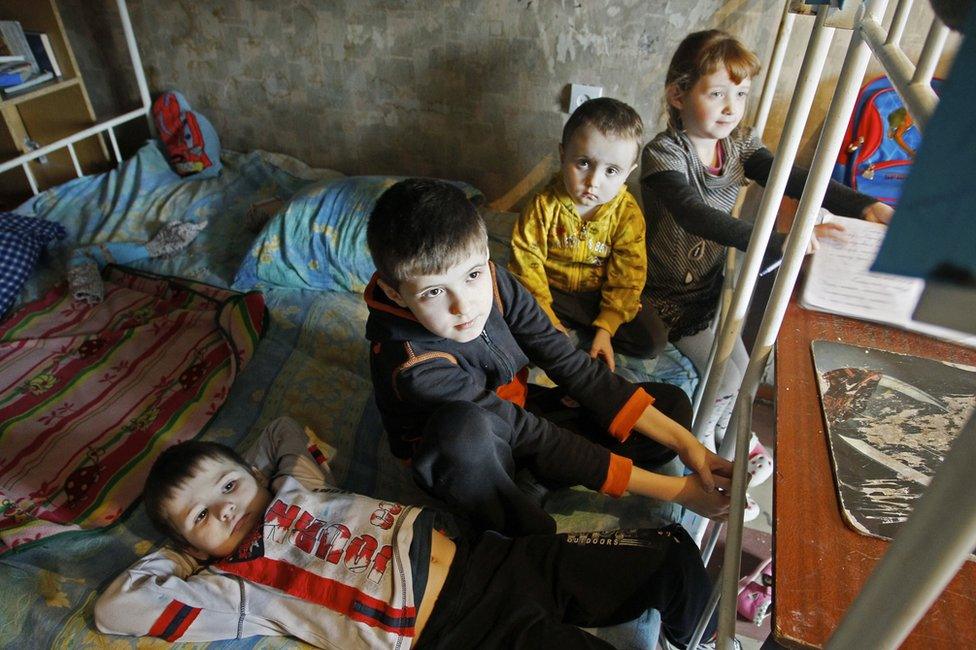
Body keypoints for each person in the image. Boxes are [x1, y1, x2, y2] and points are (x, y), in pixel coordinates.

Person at [94, 417, 722, 649]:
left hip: (502, 561)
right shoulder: (239, 588)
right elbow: (118, 607)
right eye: (203, 518)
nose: (226, 512)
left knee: (670, 553)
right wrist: (185, 557)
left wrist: (255, 478)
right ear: (193, 546)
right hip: (465, 635)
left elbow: (284, 429)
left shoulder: (298, 484)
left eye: (226, 488)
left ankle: (682, 639)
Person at [364, 178, 733, 537]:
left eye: (472, 274)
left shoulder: (496, 282)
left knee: (671, 410)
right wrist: (677, 491)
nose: (464, 305)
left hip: (519, 412)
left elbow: (572, 367)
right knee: (465, 436)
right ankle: (516, 515)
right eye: (433, 292)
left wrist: (690, 446)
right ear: (395, 294)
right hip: (475, 452)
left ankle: (540, 475)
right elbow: (529, 434)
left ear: (486, 260)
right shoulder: (412, 363)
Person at [641, 30, 894, 506]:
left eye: (740, 94)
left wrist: (862, 205)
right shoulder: (663, 155)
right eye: (715, 94)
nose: (730, 107)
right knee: (728, 375)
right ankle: (710, 457)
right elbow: (697, 215)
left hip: (708, 286)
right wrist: (782, 242)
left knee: (742, 365)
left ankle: (736, 446)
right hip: (661, 294)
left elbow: (791, 178)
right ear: (678, 95)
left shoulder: (736, 145)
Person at [508, 97, 667, 371]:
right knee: (516, 332)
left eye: (611, 171)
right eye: (583, 163)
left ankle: (592, 334)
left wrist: (607, 326)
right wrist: (547, 317)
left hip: (599, 295)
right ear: (562, 154)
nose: (594, 181)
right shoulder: (543, 207)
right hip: (552, 293)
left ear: (628, 173)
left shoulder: (627, 214)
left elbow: (628, 275)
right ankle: (561, 333)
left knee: (653, 340)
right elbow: (526, 266)